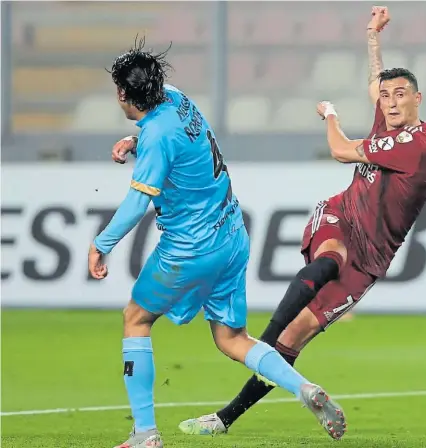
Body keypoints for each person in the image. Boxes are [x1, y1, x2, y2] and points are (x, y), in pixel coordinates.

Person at [179, 5, 426, 437]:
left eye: (401, 95)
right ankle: (262, 345)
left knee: (295, 338)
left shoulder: (421, 146)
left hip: (372, 258)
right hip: (341, 216)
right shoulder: (389, 118)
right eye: (388, 96)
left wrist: (332, 115)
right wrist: (373, 37)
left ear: (418, 99)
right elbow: (376, 83)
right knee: (328, 260)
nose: (392, 102)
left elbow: (341, 151)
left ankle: (230, 413)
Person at [91, 38, 346, 448]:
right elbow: (176, 141)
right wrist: (134, 141)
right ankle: (303, 388)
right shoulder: (176, 99)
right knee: (232, 339)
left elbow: (139, 201)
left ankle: (144, 434)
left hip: (190, 249)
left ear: (123, 94)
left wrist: (100, 244)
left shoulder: (156, 134)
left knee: (136, 319)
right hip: (231, 236)